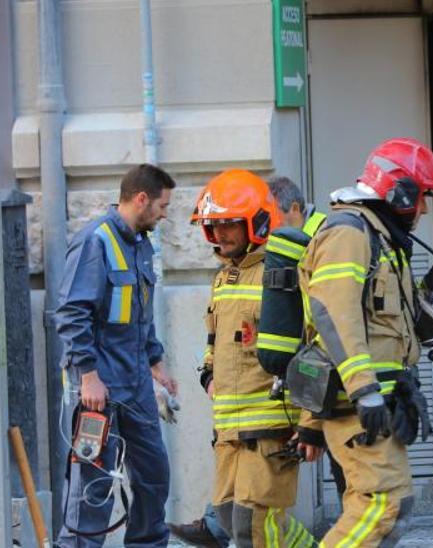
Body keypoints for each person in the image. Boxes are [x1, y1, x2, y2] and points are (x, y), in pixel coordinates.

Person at [169, 175, 340, 548]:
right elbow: (215, 338)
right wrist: (209, 374)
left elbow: (316, 349)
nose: (220, 233)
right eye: (214, 224)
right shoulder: (223, 278)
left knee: (253, 527)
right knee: (230, 518)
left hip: (271, 427)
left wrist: (310, 423)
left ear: (258, 222)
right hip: (229, 430)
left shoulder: (284, 274)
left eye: (230, 222)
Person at [295, 137, 433, 546]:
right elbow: (333, 317)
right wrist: (365, 391)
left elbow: (400, 324)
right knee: (381, 505)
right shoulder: (349, 233)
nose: (423, 210)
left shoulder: (383, 240)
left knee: (389, 507)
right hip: (360, 404)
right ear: (400, 192)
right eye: (423, 198)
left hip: (378, 401)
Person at [55, 163, 178, 548]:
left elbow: (140, 311)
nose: (164, 213)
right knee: (93, 482)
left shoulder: (140, 243)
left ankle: (146, 543)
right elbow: (72, 313)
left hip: (136, 383)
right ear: (141, 199)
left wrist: (156, 362)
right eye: (162, 205)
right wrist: (88, 376)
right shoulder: (96, 241)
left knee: (153, 473)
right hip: (100, 387)